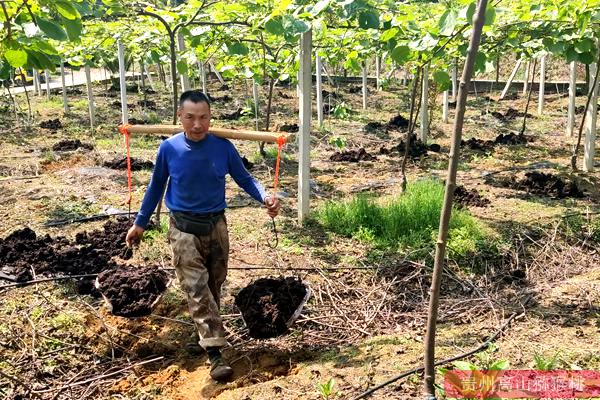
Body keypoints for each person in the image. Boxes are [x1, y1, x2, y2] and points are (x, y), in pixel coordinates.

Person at [125, 90, 280, 381]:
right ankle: (215, 353)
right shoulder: (169, 149)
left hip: (216, 226)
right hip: (183, 229)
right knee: (196, 287)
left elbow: (245, 178)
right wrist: (140, 223)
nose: (197, 125)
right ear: (180, 118)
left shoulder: (223, 147)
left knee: (213, 285)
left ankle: (205, 332)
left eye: (203, 118)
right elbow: (155, 187)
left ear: (210, 118)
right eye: (190, 118)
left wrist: (265, 198)